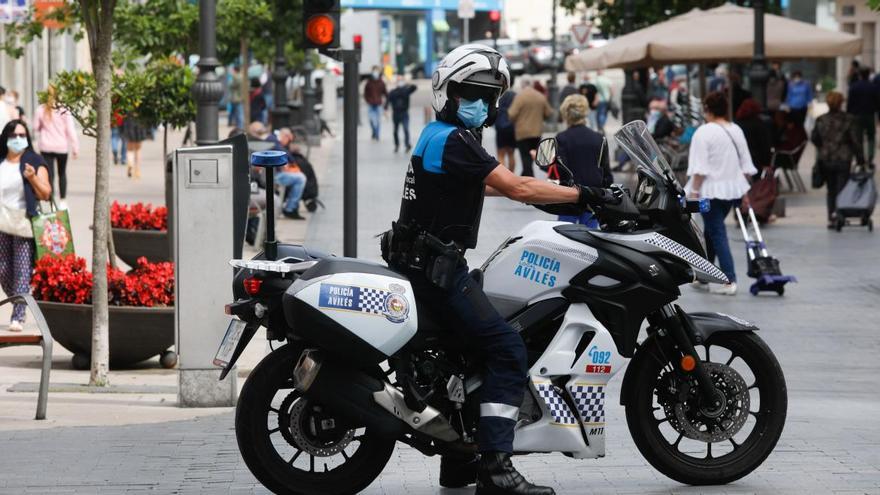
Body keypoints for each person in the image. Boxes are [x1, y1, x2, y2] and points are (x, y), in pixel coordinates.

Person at [384, 44, 616, 495]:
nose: (481, 104)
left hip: (423, 263)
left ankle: (458, 463)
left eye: (487, 97)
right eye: (470, 93)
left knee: (467, 355)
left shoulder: (438, 136)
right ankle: (495, 467)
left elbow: (487, 187)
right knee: (508, 348)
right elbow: (511, 183)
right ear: (447, 93)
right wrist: (587, 195)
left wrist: (544, 192)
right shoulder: (453, 139)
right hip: (437, 272)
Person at [686, 92, 757, 296]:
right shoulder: (736, 130)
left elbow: (699, 168)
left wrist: (694, 193)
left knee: (716, 231)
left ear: (707, 109)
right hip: (732, 189)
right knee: (711, 231)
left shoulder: (704, 132)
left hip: (710, 189)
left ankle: (728, 278)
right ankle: (704, 275)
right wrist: (744, 192)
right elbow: (745, 164)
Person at [0, 120, 52, 332]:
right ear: (6, 138)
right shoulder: (1, 161)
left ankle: (19, 315)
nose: (18, 139)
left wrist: (32, 178)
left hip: (24, 224)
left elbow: (46, 193)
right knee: (3, 271)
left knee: (22, 271)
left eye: (22, 135)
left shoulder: (33, 160)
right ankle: (21, 299)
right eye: (14, 136)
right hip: (2, 222)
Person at [555, 94, 612, 228]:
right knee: (590, 237)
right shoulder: (599, 138)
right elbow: (606, 172)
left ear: (566, 113)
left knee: (564, 236)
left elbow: (560, 170)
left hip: (569, 196)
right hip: (592, 196)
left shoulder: (562, 138)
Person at [811, 91, 864, 227]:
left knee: (831, 189)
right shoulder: (849, 119)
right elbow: (855, 141)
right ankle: (840, 214)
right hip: (843, 158)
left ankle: (832, 216)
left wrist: (823, 147)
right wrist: (860, 159)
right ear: (841, 103)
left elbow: (814, 138)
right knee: (841, 188)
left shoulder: (821, 120)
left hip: (826, 158)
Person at [34, 85, 79, 204]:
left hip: (46, 146)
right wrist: (75, 147)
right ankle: (63, 201)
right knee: (62, 173)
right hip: (61, 147)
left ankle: (51, 200)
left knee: (50, 175)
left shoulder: (40, 109)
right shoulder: (64, 109)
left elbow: (35, 127)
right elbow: (70, 129)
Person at [508, 77, 553, 177]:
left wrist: (515, 121)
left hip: (522, 133)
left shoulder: (520, 97)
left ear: (522, 85)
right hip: (537, 132)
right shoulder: (540, 96)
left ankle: (529, 179)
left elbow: (511, 114)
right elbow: (549, 112)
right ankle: (526, 176)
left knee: (525, 158)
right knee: (533, 156)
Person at [274, 128, 308, 219]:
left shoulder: (274, 139)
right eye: (289, 140)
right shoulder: (274, 140)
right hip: (273, 175)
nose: (288, 143)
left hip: (275, 172)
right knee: (300, 178)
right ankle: (290, 208)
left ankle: (291, 206)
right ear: (286, 136)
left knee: (299, 176)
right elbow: (288, 157)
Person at [847, 67, 877, 164]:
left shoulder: (854, 87)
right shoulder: (873, 87)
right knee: (871, 137)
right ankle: (870, 157)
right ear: (868, 75)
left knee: (858, 138)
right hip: (870, 115)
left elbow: (850, 103)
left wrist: (848, 115)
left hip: (857, 116)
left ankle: (860, 158)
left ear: (860, 75)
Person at [735, 98, 773, 173]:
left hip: (738, 161)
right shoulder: (760, 125)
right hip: (755, 162)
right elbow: (765, 146)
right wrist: (766, 163)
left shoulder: (735, 124)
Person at [385, 76, 418, 153]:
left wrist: (407, 83)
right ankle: (397, 145)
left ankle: (407, 145)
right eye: (398, 81)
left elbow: (414, 87)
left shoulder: (406, 90)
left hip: (404, 113)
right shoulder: (393, 92)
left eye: (401, 81)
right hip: (396, 113)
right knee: (395, 131)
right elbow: (387, 101)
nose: (400, 82)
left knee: (406, 129)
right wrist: (385, 109)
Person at [494, 81, 517, 172]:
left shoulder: (499, 95)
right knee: (511, 153)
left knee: (501, 154)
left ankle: (504, 177)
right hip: (512, 126)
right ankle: (511, 175)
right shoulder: (515, 95)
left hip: (500, 126)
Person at [364, 66, 387, 141]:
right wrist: (368, 100)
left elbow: (385, 93)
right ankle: (374, 131)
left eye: (377, 71)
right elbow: (365, 93)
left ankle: (377, 134)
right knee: (371, 120)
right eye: (374, 71)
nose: (375, 73)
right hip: (371, 104)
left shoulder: (381, 82)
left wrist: (387, 104)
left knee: (377, 120)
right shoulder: (369, 82)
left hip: (378, 104)